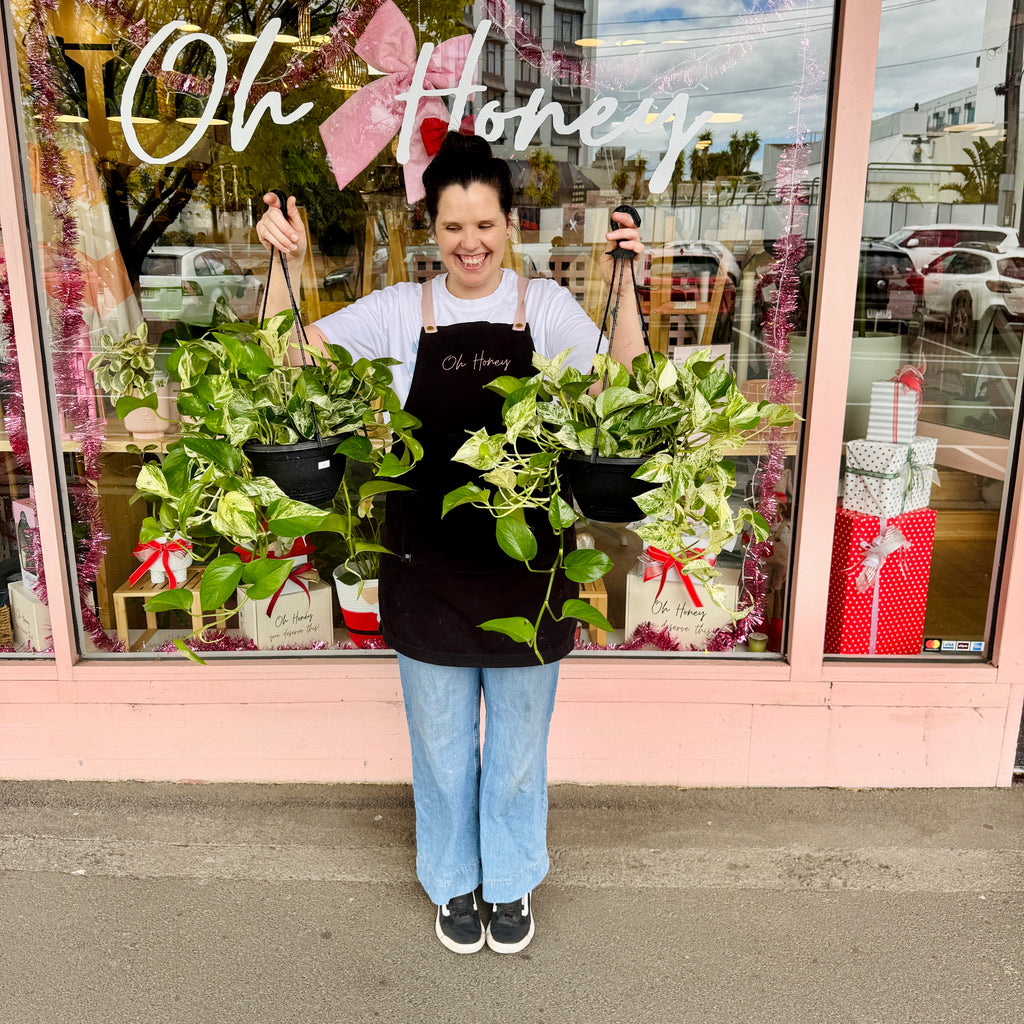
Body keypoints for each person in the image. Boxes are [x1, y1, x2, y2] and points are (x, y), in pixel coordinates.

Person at [257, 132, 644, 955]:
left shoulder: (543, 310)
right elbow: (289, 359)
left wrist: (626, 284)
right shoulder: (402, 310)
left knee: (513, 752)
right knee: (439, 748)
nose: (471, 244)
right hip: (424, 567)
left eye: (487, 226)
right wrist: (282, 271)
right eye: (452, 227)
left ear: (512, 226)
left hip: (527, 570)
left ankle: (508, 880)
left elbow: (626, 381)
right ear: (430, 229)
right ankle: (451, 881)